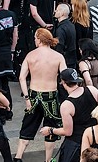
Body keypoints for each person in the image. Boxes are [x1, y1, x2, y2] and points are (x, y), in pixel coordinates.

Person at [15, 28, 67, 162]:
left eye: (35, 38)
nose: (34, 40)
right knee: (50, 128)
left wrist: (26, 98)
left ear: (39, 39)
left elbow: (21, 78)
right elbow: (65, 77)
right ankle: (48, 160)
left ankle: (18, 157)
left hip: (33, 95)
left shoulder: (30, 55)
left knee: (27, 126)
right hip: (51, 96)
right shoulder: (58, 56)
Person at [38, 68, 98, 162]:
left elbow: (67, 131)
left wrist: (50, 130)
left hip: (77, 143)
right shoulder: (92, 90)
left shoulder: (66, 105)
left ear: (63, 82)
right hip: (97, 138)